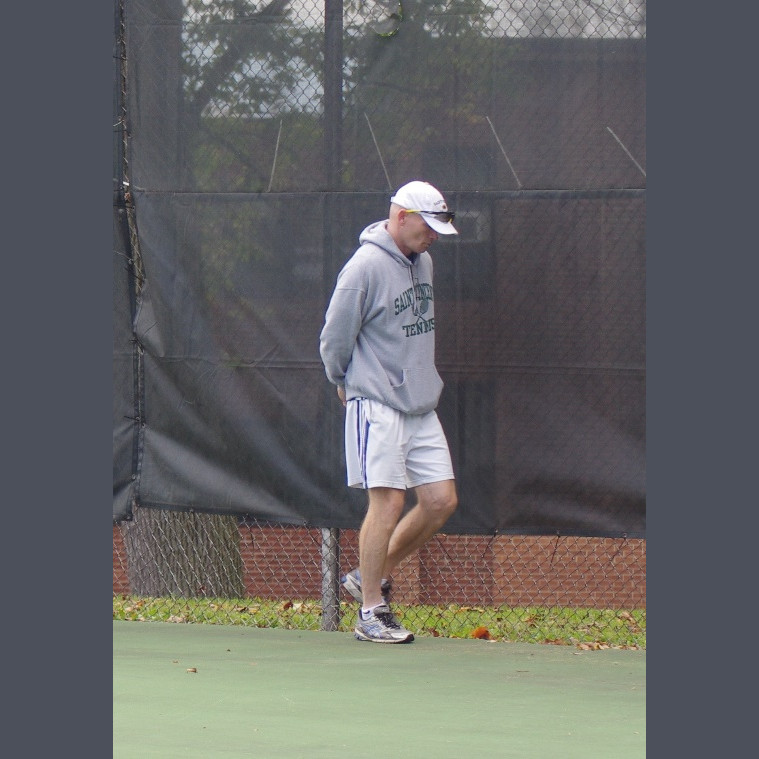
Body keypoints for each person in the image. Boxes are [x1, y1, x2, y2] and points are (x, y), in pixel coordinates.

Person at [319, 180, 459, 643]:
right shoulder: (364, 267)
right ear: (401, 217)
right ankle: (370, 613)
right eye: (428, 226)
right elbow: (334, 338)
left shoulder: (425, 262)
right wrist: (343, 380)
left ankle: (368, 575)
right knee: (389, 502)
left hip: (421, 404)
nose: (433, 236)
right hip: (376, 401)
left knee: (440, 501)